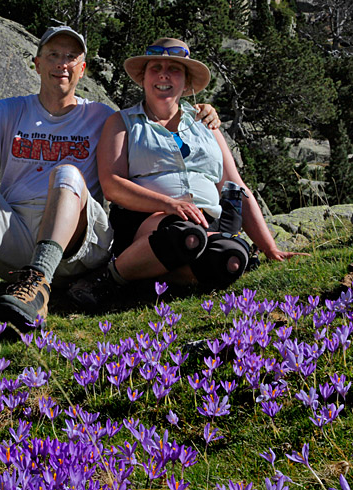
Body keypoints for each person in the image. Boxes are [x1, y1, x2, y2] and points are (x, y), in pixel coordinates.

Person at [0, 27, 221, 331]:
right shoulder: (9, 111)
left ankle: (38, 285)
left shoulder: (103, 117)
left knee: (67, 172)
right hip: (15, 240)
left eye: (71, 57)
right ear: (37, 63)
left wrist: (197, 112)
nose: (62, 63)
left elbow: (153, 122)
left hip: (78, 246)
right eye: (54, 55)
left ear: (82, 69)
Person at [68, 38, 307, 307]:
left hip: (207, 222)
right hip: (149, 220)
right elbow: (112, 184)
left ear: (187, 81)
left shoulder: (207, 124)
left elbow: (235, 186)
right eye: (155, 67)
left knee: (232, 258)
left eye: (175, 69)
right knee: (184, 236)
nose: (163, 74)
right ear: (144, 77)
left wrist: (270, 248)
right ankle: (108, 279)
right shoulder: (122, 122)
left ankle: (148, 279)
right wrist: (168, 204)